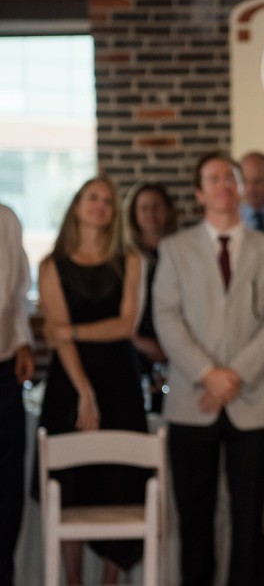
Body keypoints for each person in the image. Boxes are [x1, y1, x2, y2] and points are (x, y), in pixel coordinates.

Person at [154, 151, 264, 586]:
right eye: (213, 178)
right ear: (199, 194)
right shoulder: (174, 250)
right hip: (191, 399)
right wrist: (208, 374)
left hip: (250, 400)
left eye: (230, 178)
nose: (224, 185)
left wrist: (233, 376)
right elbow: (166, 317)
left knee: (249, 514)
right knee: (194, 514)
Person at [35, 177, 147, 585]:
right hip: (70, 384)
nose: (100, 206)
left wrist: (75, 332)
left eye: (107, 201)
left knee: (119, 483)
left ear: (115, 212)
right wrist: (84, 392)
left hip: (120, 384)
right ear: (76, 207)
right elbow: (56, 335)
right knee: (71, 489)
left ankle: (110, 581)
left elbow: (125, 324)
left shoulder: (130, 260)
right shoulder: (51, 266)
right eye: (92, 198)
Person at [0, 204, 34, 586]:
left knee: (7, 491)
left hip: (4, 370)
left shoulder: (6, 219)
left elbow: (20, 292)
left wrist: (23, 344)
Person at [123, 181, 178, 413]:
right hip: (133, 348)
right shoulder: (124, 257)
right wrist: (141, 343)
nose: (150, 214)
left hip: (177, 349)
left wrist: (170, 346)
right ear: (134, 214)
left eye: (156, 207)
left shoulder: (182, 253)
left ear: (167, 210)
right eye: (143, 208)